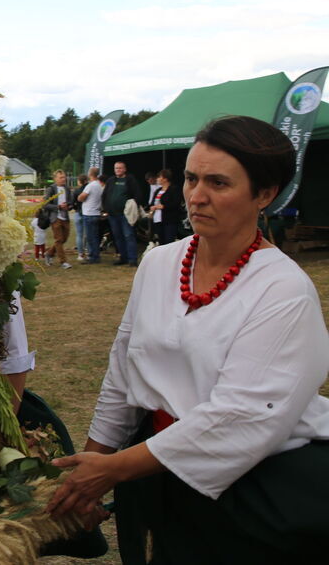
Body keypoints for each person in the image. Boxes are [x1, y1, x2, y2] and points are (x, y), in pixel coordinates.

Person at [48, 116, 329, 563]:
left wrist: (114, 470)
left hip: (255, 486)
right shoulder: (160, 263)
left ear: (265, 194)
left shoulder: (283, 290)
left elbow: (241, 416)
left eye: (219, 183)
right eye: (192, 178)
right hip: (156, 467)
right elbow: (124, 369)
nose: (197, 197)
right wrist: (89, 467)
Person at [101, 161, 145, 266]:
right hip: (112, 215)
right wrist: (106, 208)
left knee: (129, 235)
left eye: (120, 168)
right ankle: (122, 257)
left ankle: (132, 259)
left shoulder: (130, 180)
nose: (118, 170)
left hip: (126, 215)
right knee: (118, 237)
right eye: (116, 168)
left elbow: (138, 194)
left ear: (125, 169)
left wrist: (133, 206)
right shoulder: (111, 180)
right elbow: (104, 195)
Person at [43, 170, 73, 269]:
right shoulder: (51, 189)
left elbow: (71, 202)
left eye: (64, 177)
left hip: (65, 217)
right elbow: (45, 204)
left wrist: (68, 206)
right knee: (59, 239)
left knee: (64, 239)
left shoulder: (67, 189)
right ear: (55, 179)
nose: (63, 179)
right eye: (61, 177)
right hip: (55, 217)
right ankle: (63, 262)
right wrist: (58, 207)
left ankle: (49, 253)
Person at [148, 168, 183, 246]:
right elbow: (153, 203)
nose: (157, 179)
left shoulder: (174, 189)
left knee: (169, 242)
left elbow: (176, 203)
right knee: (161, 242)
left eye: (159, 177)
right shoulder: (158, 190)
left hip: (169, 220)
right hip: (157, 219)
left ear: (165, 179)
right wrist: (152, 207)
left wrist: (163, 206)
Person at [77, 167, 103, 264]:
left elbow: (82, 197)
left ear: (90, 174)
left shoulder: (90, 185)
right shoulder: (99, 185)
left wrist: (79, 197)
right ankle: (96, 255)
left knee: (90, 237)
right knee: (95, 236)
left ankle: (93, 256)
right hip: (96, 213)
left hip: (89, 213)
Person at [72, 174, 88, 261]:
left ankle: (80, 254)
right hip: (87, 213)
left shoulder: (76, 191)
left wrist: (76, 208)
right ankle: (88, 251)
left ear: (79, 181)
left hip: (78, 212)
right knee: (87, 234)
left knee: (79, 235)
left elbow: (72, 202)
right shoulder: (88, 189)